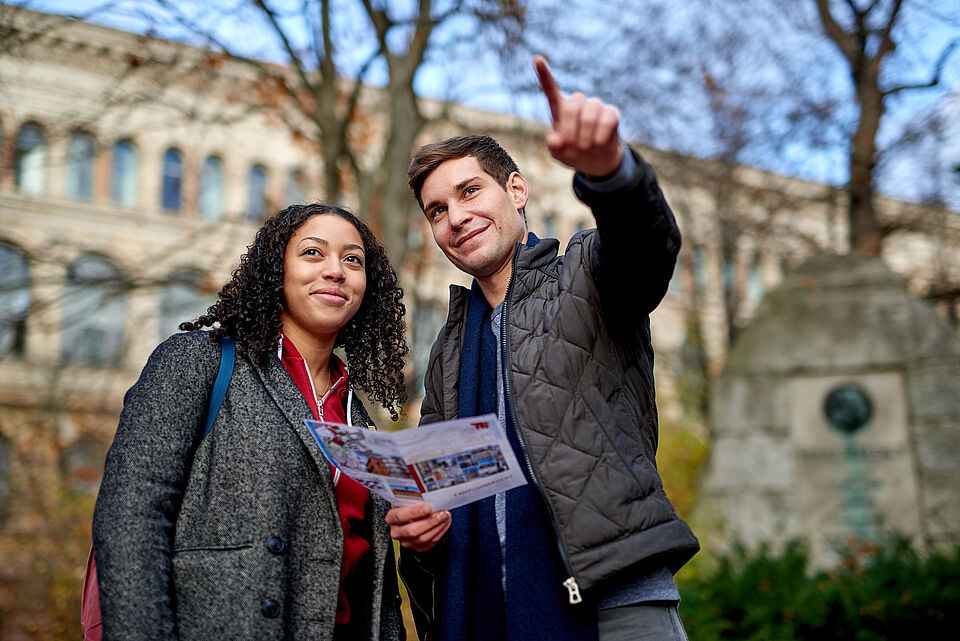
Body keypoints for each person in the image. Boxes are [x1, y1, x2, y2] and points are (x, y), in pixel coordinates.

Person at [386, 56, 700, 641]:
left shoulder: (585, 273)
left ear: (517, 189)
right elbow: (443, 490)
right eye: (436, 210)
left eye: (469, 191)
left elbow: (644, 248)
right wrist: (417, 521)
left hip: (614, 605)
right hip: (483, 614)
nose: (456, 217)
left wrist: (613, 174)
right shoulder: (451, 346)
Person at [93, 203, 408, 640]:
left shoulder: (357, 415)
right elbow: (132, 515)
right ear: (275, 270)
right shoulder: (198, 362)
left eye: (352, 259)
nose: (336, 270)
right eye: (313, 253)